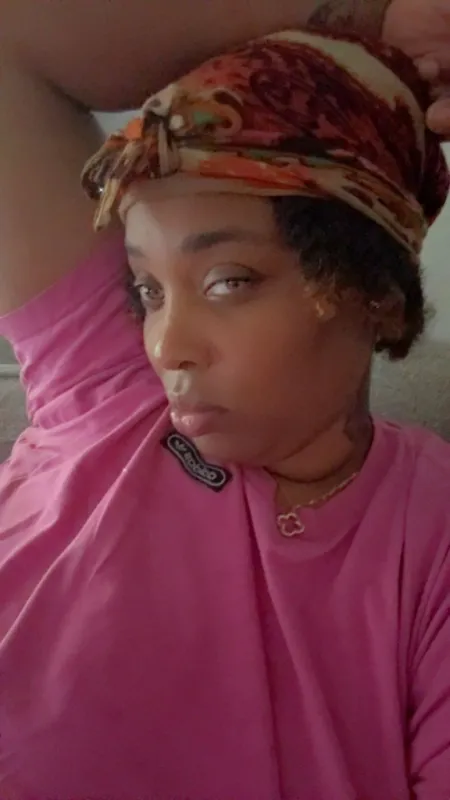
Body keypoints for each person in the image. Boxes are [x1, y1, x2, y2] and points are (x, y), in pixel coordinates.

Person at [1, 7, 450, 800]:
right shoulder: (104, 385)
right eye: (147, 290)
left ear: (374, 293)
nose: (167, 345)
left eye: (228, 281)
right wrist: (374, 12)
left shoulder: (433, 533)